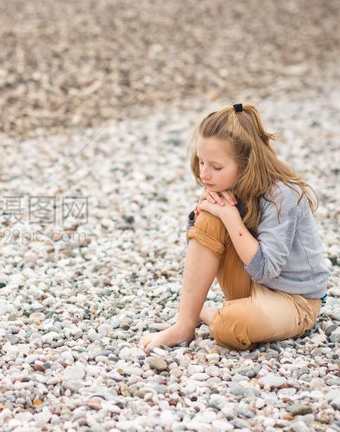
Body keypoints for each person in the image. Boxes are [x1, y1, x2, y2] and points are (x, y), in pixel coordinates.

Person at [139, 103, 329, 352]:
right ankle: (184, 324)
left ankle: (209, 314)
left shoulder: (282, 195)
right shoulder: (226, 187)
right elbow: (201, 249)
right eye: (201, 162)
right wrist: (203, 213)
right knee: (209, 218)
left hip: (295, 299)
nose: (205, 174)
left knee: (228, 327)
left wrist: (230, 217)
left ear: (246, 164)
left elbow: (266, 270)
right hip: (249, 286)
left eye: (216, 167)